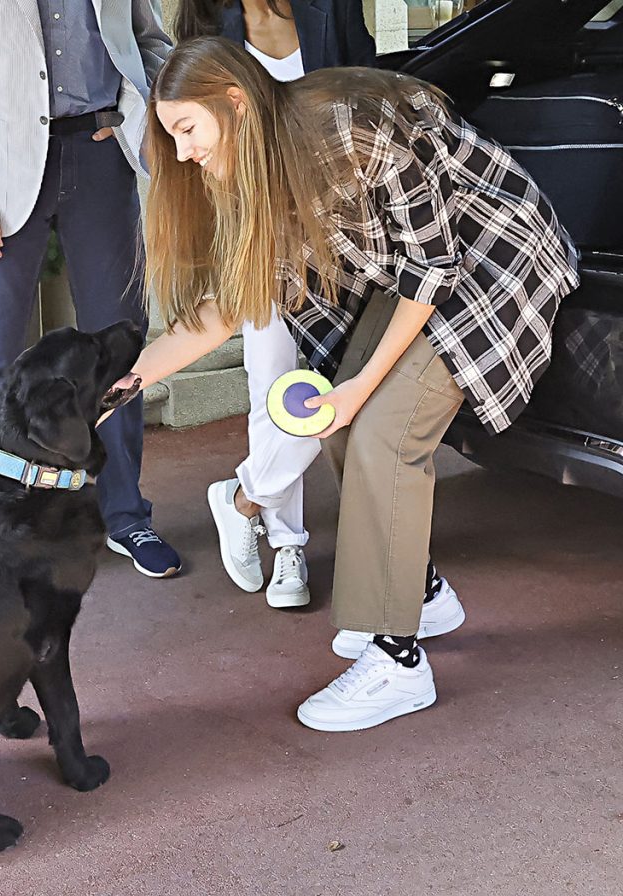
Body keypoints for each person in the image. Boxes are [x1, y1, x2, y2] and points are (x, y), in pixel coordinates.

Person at [114, 37, 580, 730]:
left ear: (234, 103)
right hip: (413, 278)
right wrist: (125, 381)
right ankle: (417, 592)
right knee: (333, 416)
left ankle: (399, 664)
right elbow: (226, 307)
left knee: (385, 432)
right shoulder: (244, 169)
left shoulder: (351, 128)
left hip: (491, 255)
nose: (180, 153)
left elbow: (433, 265)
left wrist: (363, 388)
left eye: (186, 130)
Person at [0, 0, 181, 578]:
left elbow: (149, 40)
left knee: (121, 348)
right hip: (1, 176)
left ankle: (124, 515)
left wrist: (144, 117)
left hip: (101, 157)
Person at [170, 0, 375, 610]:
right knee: (274, 385)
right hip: (256, 231)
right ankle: (288, 545)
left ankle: (242, 499)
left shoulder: (329, 9)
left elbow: (361, 88)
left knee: (335, 383)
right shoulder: (208, 25)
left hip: (341, 229)